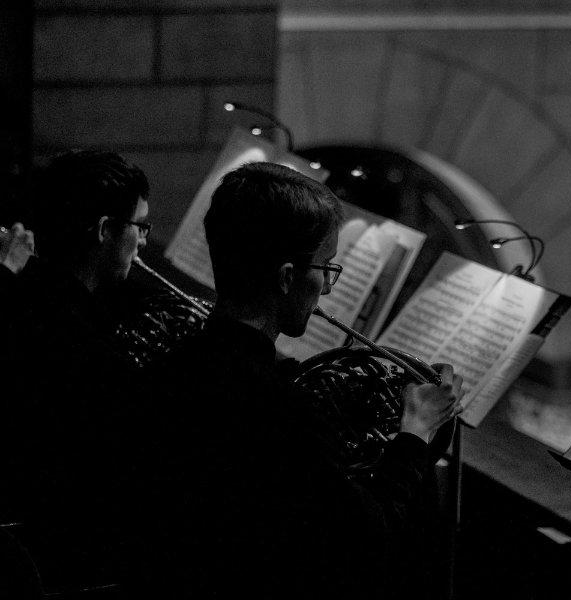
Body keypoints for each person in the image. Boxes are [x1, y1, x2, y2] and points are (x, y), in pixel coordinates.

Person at [130, 162, 463, 599]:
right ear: (288, 277)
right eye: (325, 266)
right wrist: (415, 432)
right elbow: (368, 537)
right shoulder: (277, 411)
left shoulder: (173, 366)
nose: (326, 287)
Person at [1, 150, 153, 592]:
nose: (144, 240)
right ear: (106, 230)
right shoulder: (81, 343)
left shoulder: (24, 297)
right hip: (68, 564)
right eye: (140, 227)